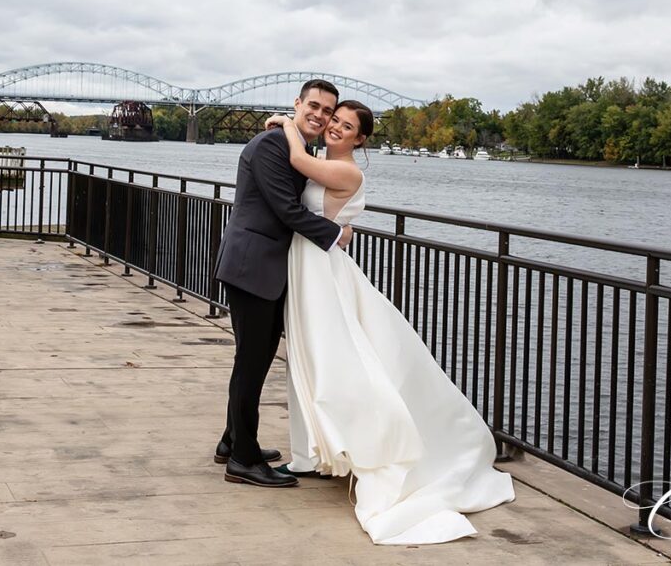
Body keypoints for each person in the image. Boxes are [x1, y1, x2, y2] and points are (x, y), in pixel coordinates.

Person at [263, 101, 515, 544]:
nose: (336, 128)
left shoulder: (347, 171)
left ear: (361, 139)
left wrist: (286, 123)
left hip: (320, 271)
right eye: (335, 121)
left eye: (346, 126)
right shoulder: (330, 163)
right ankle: (311, 454)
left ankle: (365, 443)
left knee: (332, 359)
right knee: (307, 359)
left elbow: (297, 161)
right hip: (310, 262)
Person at [213, 79, 354, 488]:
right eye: (314, 105)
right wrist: (335, 235)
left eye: (328, 111)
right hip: (252, 267)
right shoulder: (272, 146)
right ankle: (242, 459)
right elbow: (287, 210)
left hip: (262, 268)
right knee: (251, 363)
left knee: (251, 359)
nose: (320, 115)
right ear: (297, 104)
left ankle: (232, 440)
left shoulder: (292, 145)